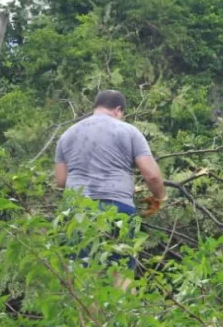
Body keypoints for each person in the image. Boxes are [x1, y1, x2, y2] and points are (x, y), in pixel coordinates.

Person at [54, 90, 167, 281]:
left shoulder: (66, 136)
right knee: (120, 273)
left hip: (77, 211)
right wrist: (160, 198)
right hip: (119, 209)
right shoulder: (129, 131)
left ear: (96, 107)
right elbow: (152, 176)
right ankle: (119, 309)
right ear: (118, 110)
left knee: (84, 275)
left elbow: (61, 181)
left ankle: (87, 311)